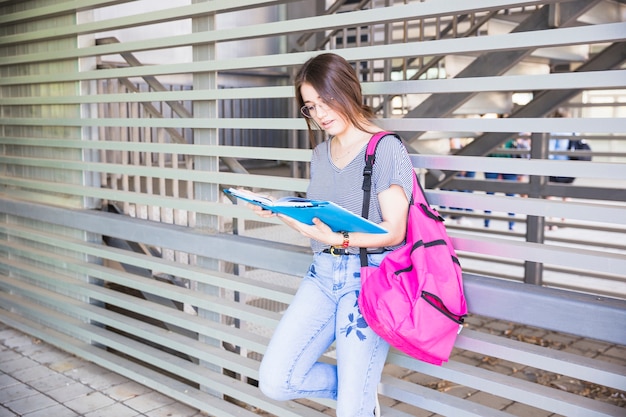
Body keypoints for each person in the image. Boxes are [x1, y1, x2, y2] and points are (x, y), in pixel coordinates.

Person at [253, 53, 415, 417]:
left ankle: (356, 399)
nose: (320, 113)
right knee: (276, 380)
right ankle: (357, 394)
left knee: (350, 412)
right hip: (322, 276)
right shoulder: (320, 153)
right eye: (311, 106)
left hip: (367, 281)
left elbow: (394, 232)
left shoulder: (385, 147)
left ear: (348, 91)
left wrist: (339, 241)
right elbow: (321, 223)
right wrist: (281, 212)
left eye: (326, 101)